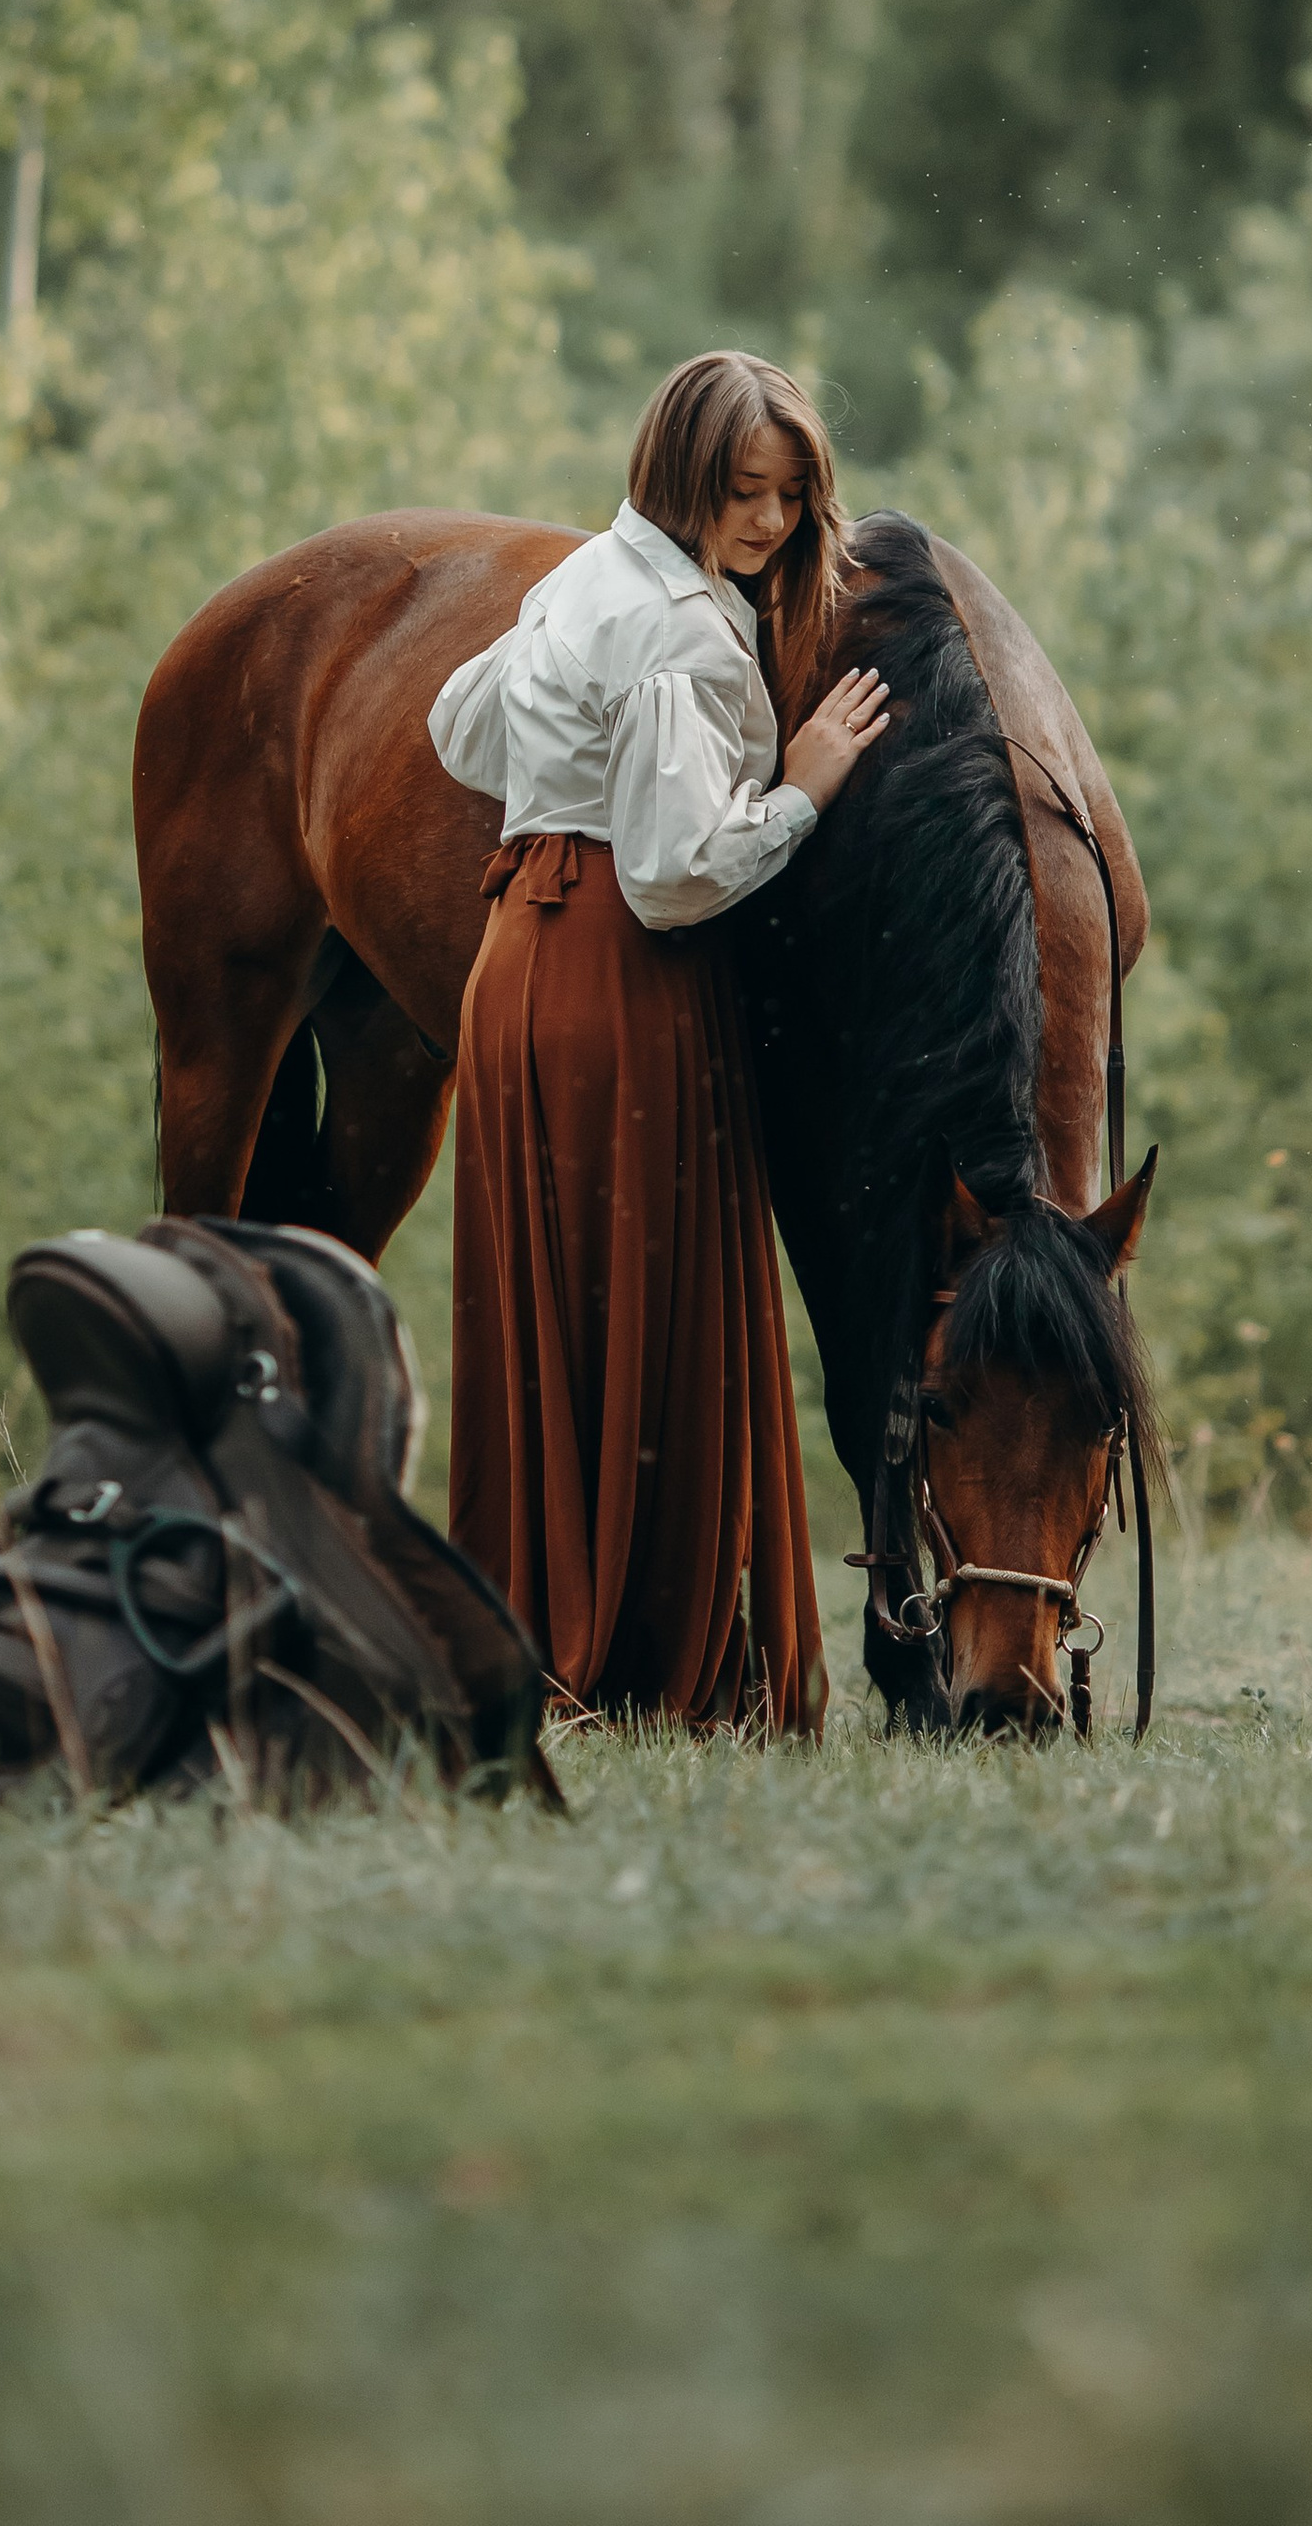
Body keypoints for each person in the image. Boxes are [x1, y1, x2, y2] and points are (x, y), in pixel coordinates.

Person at [427, 352, 890, 1733]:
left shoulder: (579, 580)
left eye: (792, 498)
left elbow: (460, 728)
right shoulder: (685, 630)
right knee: (645, 1309)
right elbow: (676, 873)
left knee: (549, 1320)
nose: (767, 525)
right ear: (681, 474)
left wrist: (564, 786)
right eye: (742, 492)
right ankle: (642, 1658)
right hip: (620, 981)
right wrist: (801, 783)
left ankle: (549, 1630)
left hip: (515, 968)